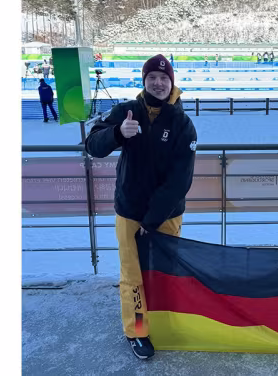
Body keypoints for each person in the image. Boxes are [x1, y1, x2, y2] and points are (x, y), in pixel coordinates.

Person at [84, 54, 197, 360]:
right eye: (152, 78)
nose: (158, 83)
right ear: (144, 81)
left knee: (165, 273)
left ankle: (166, 322)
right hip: (129, 212)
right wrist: (118, 133)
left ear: (171, 82)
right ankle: (138, 330)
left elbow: (180, 180)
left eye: (164, 78)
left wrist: (154, 218)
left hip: (166, 216)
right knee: (132, 276)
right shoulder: (126, 111)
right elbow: (92, 144)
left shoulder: (182, 124)